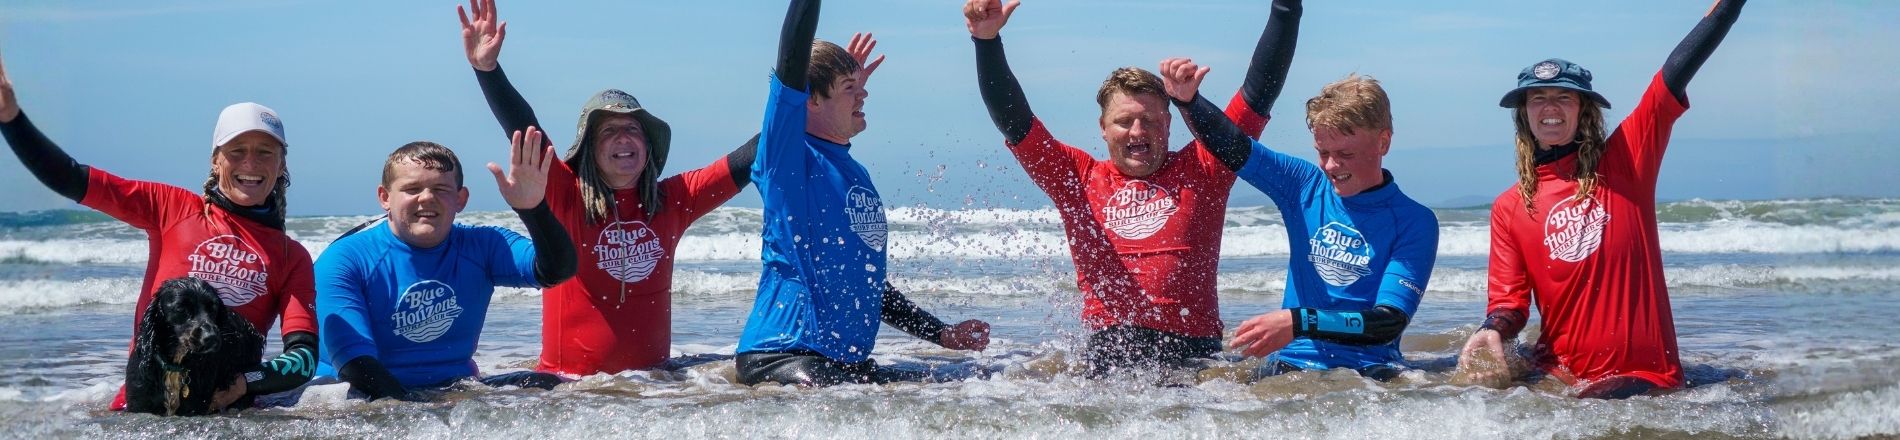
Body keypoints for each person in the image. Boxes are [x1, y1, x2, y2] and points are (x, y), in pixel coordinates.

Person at [963, 0, 1298, 376]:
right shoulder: (1077, 177)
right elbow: (1015, 122)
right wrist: (987, 42)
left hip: (1196, 359)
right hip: (1109, 357)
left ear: (1169, 125)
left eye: (1149, 121)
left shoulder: (1205, 166)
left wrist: (1287, 8)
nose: (1138, 132)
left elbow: (1258, 93)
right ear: (1103, 128)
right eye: (1124, 121)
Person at [1454, 0, 1746, 399]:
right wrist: (1491, 329)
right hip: (1557, 376)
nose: (1550, 108)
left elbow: (1674, 75)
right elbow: (1509, 302)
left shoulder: (1627, 161)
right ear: (1524, 114)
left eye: (1564, 97)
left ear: (1585, 111)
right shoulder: (1510, 206)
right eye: (1538, 98)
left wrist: (1730, 6)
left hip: (1644, 376)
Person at [0, 47, 317, 411]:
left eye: (265, 152)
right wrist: (11, 119)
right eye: (236, 150)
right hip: (141, 412)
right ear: (216, 160)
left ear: (281, 164)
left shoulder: (291, 256)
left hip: (226, 418)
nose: (250, 162)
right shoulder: (171, 208)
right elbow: (71, 178)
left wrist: (244, 383)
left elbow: (303, 359)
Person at [457, 0, 761, 375]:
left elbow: (746, 160)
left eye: (632, 129)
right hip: (570, 390)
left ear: (648, 147)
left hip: (655, 389)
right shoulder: (564, 193)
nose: (623, 138)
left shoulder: (673, 199)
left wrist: (803, 103)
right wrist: (488, 70)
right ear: (588, 149)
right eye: (609, 131)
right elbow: (524, 128)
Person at [736, 0, 992, 387]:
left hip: (838, 364)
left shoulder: (854, 173)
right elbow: (790, 65)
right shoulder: (789, 159)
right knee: (862, 395)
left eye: (861, 86)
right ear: (811, 99)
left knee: (959, 383)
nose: (864, 95)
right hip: (780, 356)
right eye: (849, 88)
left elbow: (867, 284)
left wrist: (942, 334)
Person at [1167, 65, 1440, 380]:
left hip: (1368, 376)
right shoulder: (1303, 185)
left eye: (1345, 154)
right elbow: (1234, 147)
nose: (1332, 166)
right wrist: (1188, 101)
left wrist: (1299, 322)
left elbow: (1388, 322)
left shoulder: (1414, 221)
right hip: (1290, 366)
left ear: (1383, 142)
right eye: (1323, 152)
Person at [310, 135, 577, 401]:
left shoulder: (482, 246)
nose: (426, 198)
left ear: (461, 199)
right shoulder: (345, 259)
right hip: (356, 390)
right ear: (385, 197)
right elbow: (355, 364)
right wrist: (418, 414)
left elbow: (556, 270)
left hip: (449, 387)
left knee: (548, 384)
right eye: (412, 189)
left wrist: (532, 209)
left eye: (440, 189)